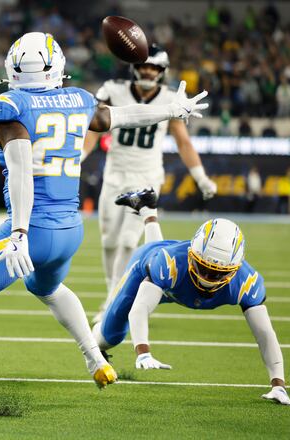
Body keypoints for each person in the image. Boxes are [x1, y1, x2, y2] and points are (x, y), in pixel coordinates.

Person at [0, 32, 209, 417]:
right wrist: (171, 110)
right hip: (69, 229)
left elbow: (21, 172)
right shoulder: (78, 100)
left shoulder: (10, 104)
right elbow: (117, 117)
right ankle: (95, 359)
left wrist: (18, 233)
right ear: (57, 65)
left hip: (33, 229)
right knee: (48, 287)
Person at [93, 188, 290, 406]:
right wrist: (143, 351)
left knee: (164, 264)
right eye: (203, 268)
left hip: (172, 279)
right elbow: (140, 308)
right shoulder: (169, 264)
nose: (208, 278)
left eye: (219, 273)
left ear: (235, 268)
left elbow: (265, 334)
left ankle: (147, 209)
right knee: (109, 337)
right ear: (193, 256)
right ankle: (94, 335)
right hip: (148, 269)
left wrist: (279, 385)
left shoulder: (246, 282)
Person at [81, 44, 218, 317]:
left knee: (130, 240)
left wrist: (201, 177)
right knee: (109, 241)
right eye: (144, 66)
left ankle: (113, 302)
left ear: (162, 72)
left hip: (146, 177)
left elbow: (183, 142)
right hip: (115, 174)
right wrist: (78, 157)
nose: (147, 71)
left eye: (153, 67)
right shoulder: (113, 89)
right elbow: (94, 130)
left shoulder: (170, 97)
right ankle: (113, 291)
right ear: (134, 68)